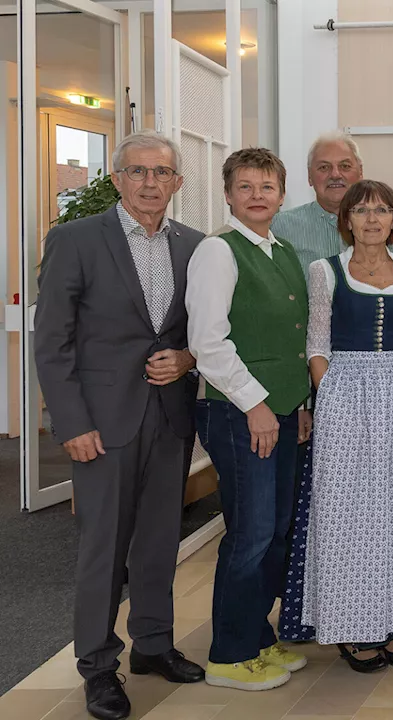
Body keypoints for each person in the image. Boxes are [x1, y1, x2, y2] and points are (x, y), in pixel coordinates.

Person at [34, 131, 205, 720]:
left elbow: (199, 331)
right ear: (116, 180)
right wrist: (70, 422)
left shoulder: (194, 245)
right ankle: (98, 667)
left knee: (160, 541)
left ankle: (153, 645)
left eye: (161, 173)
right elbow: (52, 343)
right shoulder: (76, 239)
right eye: (137, 172)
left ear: (178, 183)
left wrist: (187, 359)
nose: (150, 183)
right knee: (103, 550)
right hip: (101, 426)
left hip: (171, 416)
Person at [298, 180, 393, 673]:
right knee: (349, 515)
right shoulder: (326, 271)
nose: (372, 218)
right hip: (347, 394)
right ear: (347, 220)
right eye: (361, 211)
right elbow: (317, 342)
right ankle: (354, 626)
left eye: (382, 210)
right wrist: (332, 397)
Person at [187, 147, 311, 690]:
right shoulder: (218, 251)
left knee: (277, 527)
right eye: (245, 186)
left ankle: (256, 634)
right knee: (251, 532)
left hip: (282, 411)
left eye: (267, 186)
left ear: (282, 194)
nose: (257, 195)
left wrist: (298, 403)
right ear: (228, 194)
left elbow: (293, 339)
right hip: (238, 414)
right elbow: (208, 343)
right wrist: (257, 404)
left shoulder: (282, 250)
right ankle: (229, 653)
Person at [272, 132, 393, 269]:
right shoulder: (281, 227)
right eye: (324, 167)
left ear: (360, 172)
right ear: (309, 176)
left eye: (345, 166)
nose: (335, 174)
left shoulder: (386, 228)